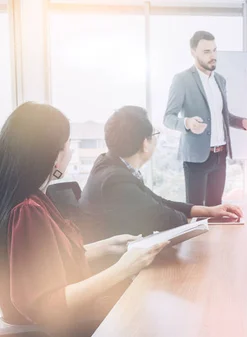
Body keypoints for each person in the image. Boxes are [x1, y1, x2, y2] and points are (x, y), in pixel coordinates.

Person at [0, 102, 168, 336]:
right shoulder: (27, 210)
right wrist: (123, 268)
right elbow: (48, 304)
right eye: (67, 145)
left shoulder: (30, 198)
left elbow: (50, 261)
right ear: (52, 156)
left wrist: (109, 245)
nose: (70, 152)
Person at [80, 106, 243, 243]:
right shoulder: (115, 181)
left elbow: (158, 202)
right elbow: (165, 218)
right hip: (115, 270)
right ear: (145, 143)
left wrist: (209, 211)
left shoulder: (109, 163)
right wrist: (188, 219)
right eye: (154, 135)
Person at [164, 30, 247, 206]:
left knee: (216, 210)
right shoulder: (182, 80)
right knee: (197, 214)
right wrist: (187, 123)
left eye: (214, 50)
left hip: (220, 156)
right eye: (206, 52)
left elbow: (223, 116)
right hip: (196, 158)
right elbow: (168, 118)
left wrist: (243, 123)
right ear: (193, 52)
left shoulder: (220, 81)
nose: (213, 56)